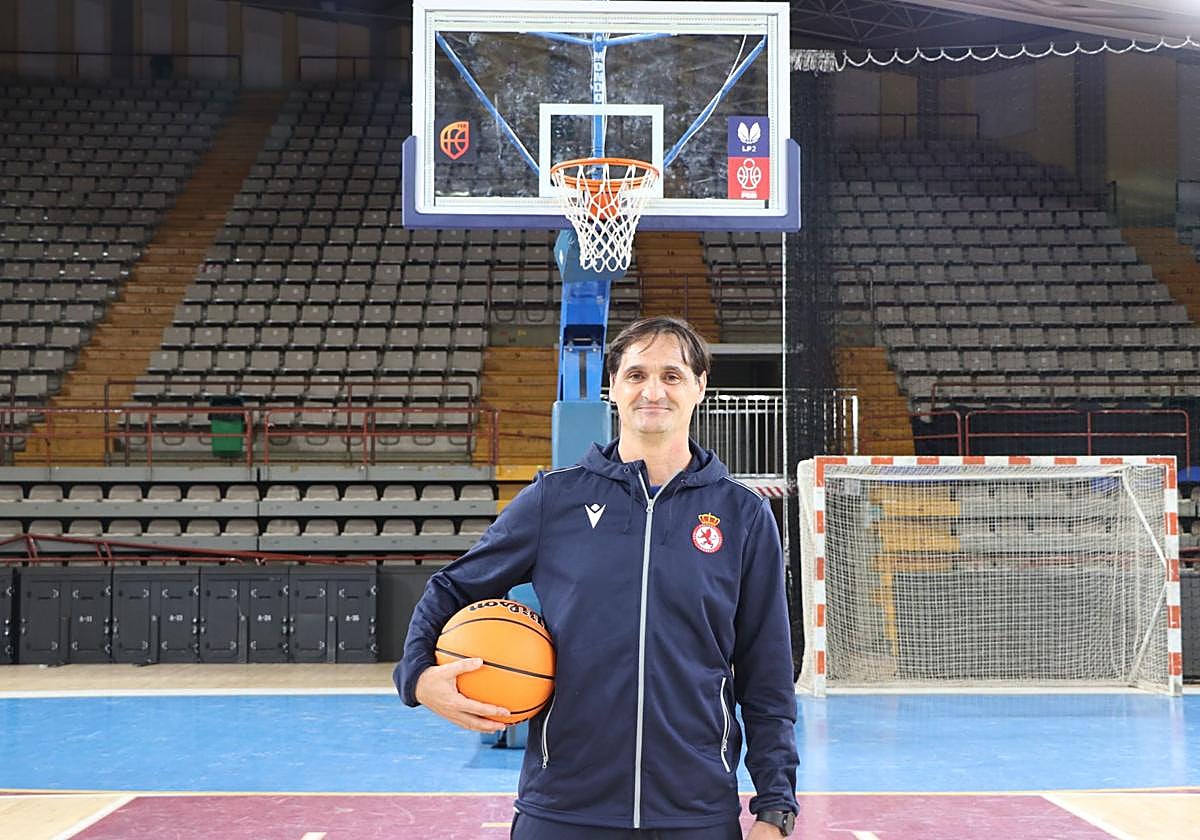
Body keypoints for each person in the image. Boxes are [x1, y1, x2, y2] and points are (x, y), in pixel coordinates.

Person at [395, 316, 799, 839]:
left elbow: (766, 673)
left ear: (700, 387)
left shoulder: (743, 515)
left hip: (695, 811)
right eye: (636, 375)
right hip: (562, 807)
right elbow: (451, 586)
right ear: (613, 388)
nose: (653, 390)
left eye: (672, 376)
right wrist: (418, 678)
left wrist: (775, 808)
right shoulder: (554, 499)